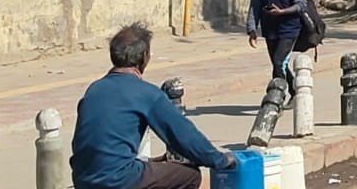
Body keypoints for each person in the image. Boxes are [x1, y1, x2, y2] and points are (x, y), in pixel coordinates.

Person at [70, 24, 235, 189]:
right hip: (118, 180)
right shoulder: (146, 93)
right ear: (144, 56)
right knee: (190, 175)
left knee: (153, 169)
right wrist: (220, 160)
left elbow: (93, 145)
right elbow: (184, 136)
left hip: (83, 178)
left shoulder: (94, 90)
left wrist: (151, 162)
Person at [247, 0, 306, 80]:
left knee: (279, 62)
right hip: (270, 31)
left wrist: (282, 12)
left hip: (289, 30)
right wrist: (252, 30)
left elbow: (301, 5)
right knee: (277, 64)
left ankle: (278, 90)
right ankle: (292, 88)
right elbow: (254, 7)